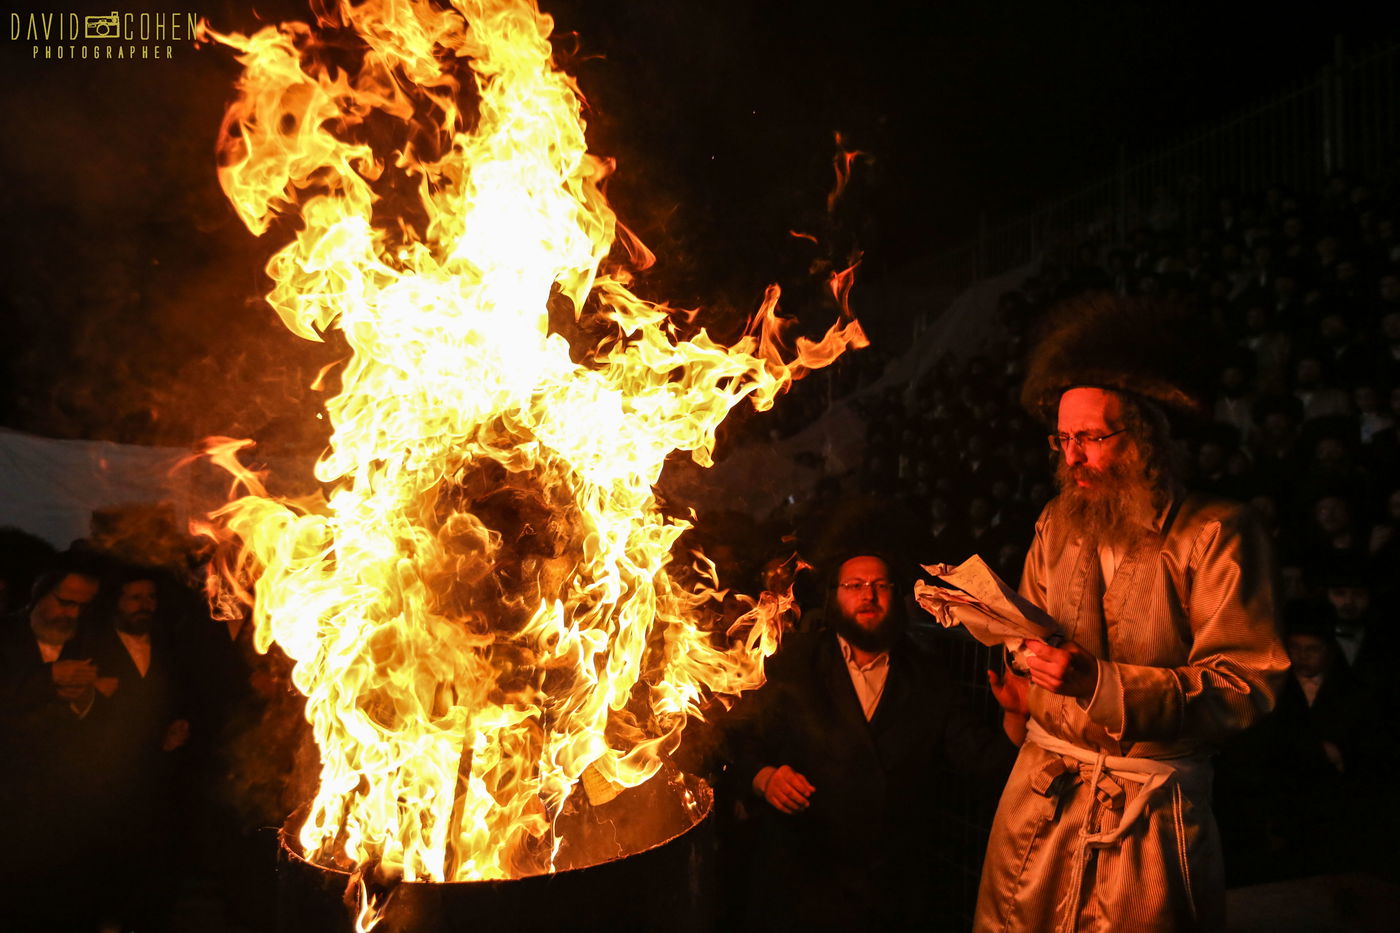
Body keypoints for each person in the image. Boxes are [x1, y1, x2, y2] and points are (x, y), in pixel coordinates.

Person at [976, 295, 1290, 932]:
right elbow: (1029, 628)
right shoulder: (1057, 522)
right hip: (1041, 798)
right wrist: (1020, 654)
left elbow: (1246, 684)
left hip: (1148, 815)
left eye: (1090, 437)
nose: (1072, 457)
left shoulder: (1218, 532)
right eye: (1062, 440)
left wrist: (1098, 683)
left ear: (1144, 435)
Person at [725, 548, 1018, 931]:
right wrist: (764, 778)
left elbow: (981, 761)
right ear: (834, 596)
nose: (868, 594)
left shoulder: (928, 675)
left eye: (881, 585)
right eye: (854, 585)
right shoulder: (796, 663)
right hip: (802, 879)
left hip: (891, 889)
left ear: (897, 597)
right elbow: (740, 741)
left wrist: (1016, 713)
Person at [0, 558, 109, 930]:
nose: (71, 613)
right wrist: (48, 678)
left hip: (69, 800)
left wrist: (83, 699)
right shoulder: (5, 636)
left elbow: (106, 713)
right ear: (38, 594)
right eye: (65, 601)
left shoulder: (89, 639)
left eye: (82, 605)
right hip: (11, 798)